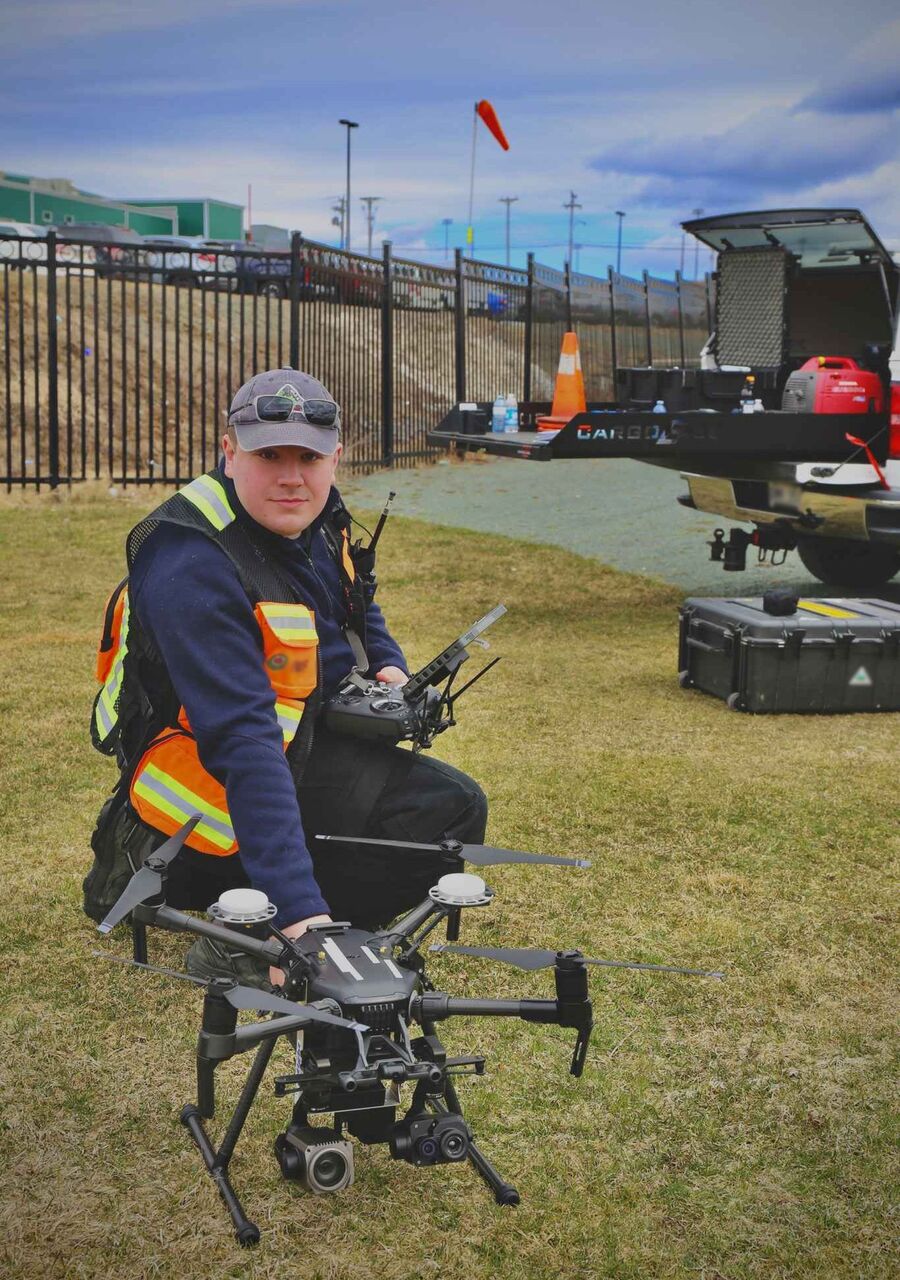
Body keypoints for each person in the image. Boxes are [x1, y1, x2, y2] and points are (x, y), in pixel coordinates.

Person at [85, 368, 487, 986]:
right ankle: (250, 935)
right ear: (228, 450)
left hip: (288, 745)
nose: (292, 475)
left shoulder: (316, 510)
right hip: (205, 791)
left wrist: (388, 666)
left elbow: (357, 596)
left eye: (309, 456)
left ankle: (294, 904)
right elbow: (243, 741)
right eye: (269, 454)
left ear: (336, 457)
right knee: (442, 816)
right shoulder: (192, 562)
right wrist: (301, 921)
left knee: (448, 813)